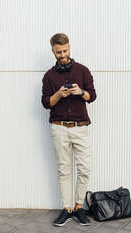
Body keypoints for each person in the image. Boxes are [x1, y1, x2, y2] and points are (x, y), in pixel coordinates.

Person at [41, 33, 97, 226]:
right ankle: (67, 209)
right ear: (53, 51)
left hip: (80, 127)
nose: (62, 55)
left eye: (65, 51)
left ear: (69, 47)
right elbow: (46, 103)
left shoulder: (83, 71)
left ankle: (79, 207)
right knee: (64, 170)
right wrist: (58, 94)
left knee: (84, 169)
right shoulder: (49, 76)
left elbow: (93, 96)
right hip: (59, 128)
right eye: (58, 52)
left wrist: (80, 92)